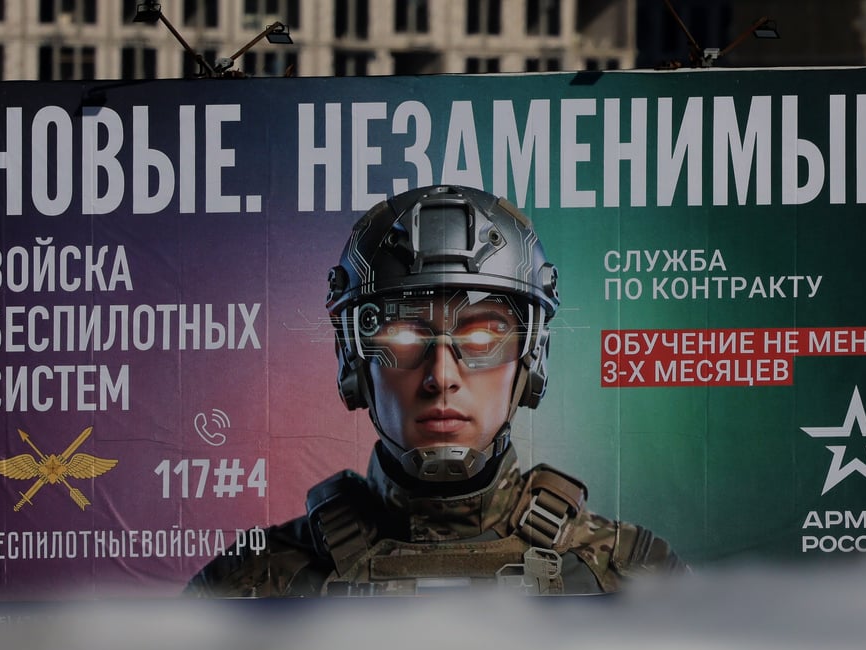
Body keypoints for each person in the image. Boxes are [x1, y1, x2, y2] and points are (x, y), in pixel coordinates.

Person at [187, 185, 683, 597]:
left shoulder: (628, 576)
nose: (441, 375)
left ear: (530, 359)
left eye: (483, 335)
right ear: (354, 361)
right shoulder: (251, 585)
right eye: (403, 336)